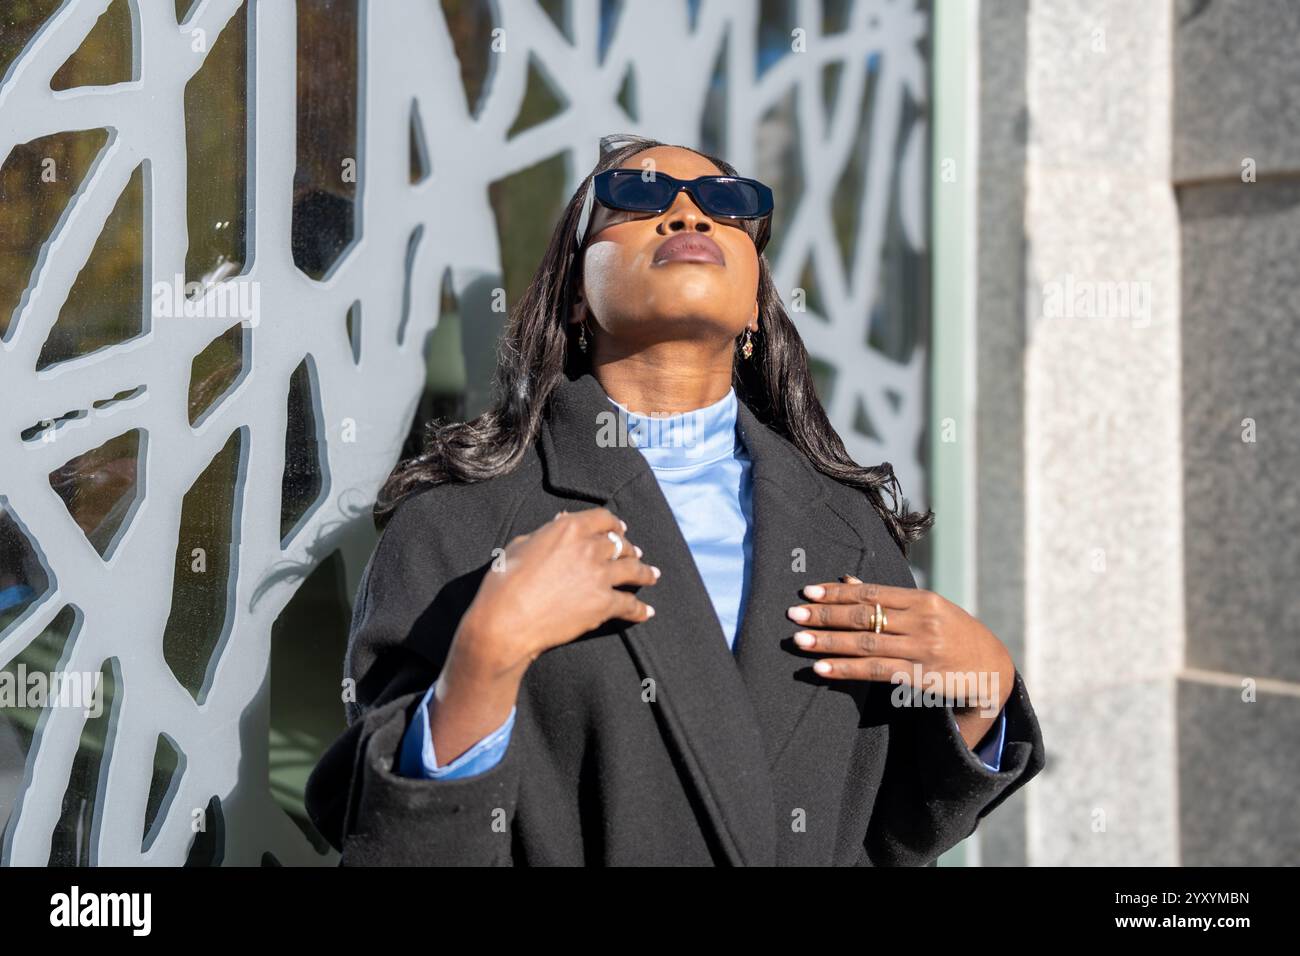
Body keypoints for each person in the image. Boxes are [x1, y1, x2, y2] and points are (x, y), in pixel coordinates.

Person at [304, 133, 1045, 866]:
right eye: (638, 196)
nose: (689, 214)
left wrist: (984, 693)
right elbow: (391, 842)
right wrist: (485, 658)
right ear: (574, 298)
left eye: (728, 205)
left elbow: (884, 834)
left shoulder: (846, 527)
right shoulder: (459, 522)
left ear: (756, 304)